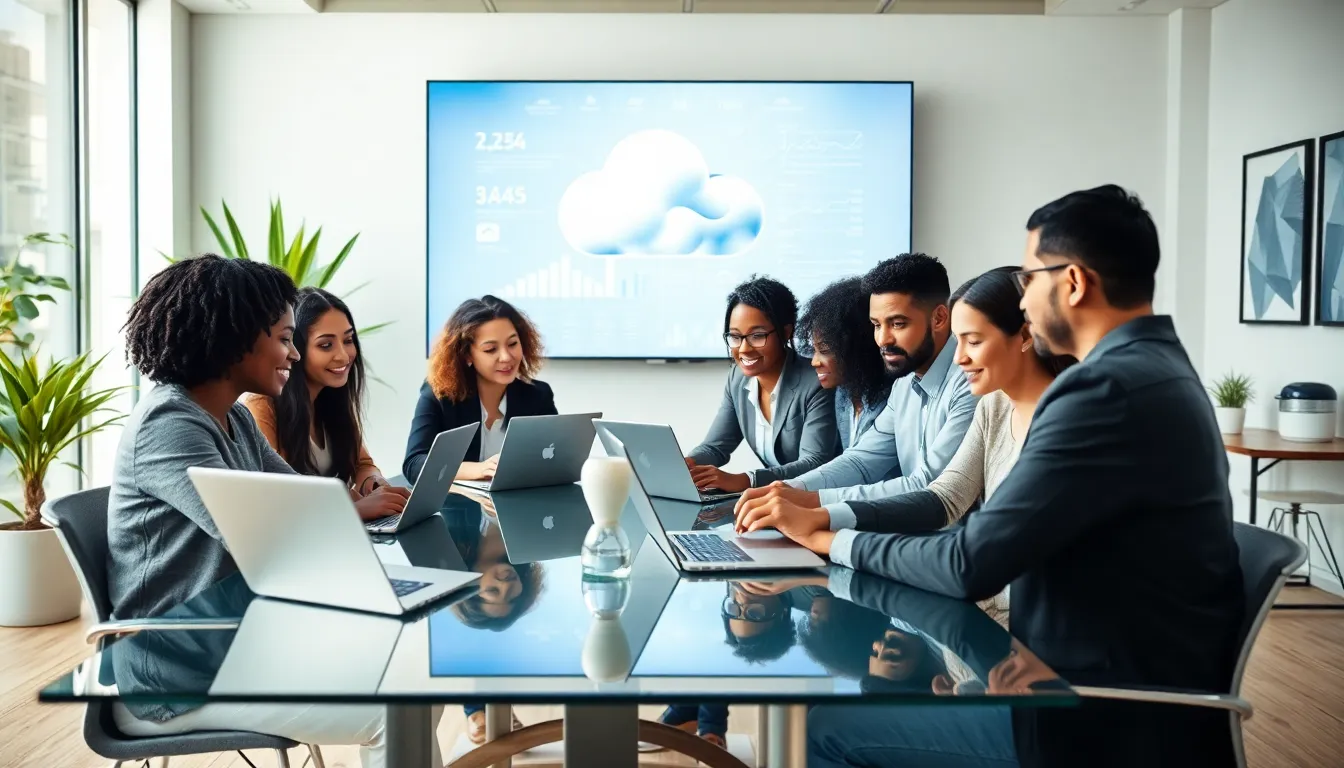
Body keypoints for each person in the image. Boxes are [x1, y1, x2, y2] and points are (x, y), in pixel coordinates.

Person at [757, 186, 1246, 767]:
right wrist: (826, 518)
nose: (1026, 299)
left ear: (1074, 283)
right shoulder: (1154, 369)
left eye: (1032, 279)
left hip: (1091, 715)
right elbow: (949, 506)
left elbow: (970, 563)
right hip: (1078, 677)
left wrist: (831, 540)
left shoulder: (1103, 391)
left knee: (828, 727)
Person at [108, 255, 428, 768]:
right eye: (284, 338)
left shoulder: (233, 416)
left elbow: (309, 506)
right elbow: (265, 535)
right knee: (400, 707)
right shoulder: (169, 424)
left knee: (414, 672)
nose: (294, 354)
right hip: (176, 675)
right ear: (235, 341)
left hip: (242, 643)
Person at [741, 267, 1077, 623]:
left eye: (973, 341)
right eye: (958, 341)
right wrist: (799, 500)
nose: (960, 358)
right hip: (970, 600)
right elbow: (940, 497)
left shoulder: (1060, 421)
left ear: (1025, 336)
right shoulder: (993, 406)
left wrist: (822, 528)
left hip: (1019, 621)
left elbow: (963, 543)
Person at [733, 253, 978, 530]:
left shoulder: (970, 382)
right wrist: (786, 488)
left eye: (897, 324)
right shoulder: (904, 383)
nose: (883, 339)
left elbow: (928, 485)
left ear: (939, 318)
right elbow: (861, 461)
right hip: (914, 539)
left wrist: (810, 501)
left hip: (953, 548)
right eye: (876, 325)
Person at [245, 287, 408, 518]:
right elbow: (275, 500)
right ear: (295, 349)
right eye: (325, 345)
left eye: (348, 340)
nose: (343, 355)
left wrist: (373, 483)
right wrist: (352, 510)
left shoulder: (331, 398)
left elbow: (363, 464)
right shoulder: (261, 408)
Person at [685, 275, 840, 493]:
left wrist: (746, 480)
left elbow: (814, 463)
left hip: (819, 497)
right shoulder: (737, 378)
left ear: (786, 332)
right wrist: (687, 465)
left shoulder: (816, 382)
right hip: (778, 498)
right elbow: (715, 448)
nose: (744, 349)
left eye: (757, 336)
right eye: (736, 337)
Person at [404, 295, 555, 483]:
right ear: (467, 354)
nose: (506, 357)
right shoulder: (439, 395)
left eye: (512, 344)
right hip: (459, 509)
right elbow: (414, 465)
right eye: (491, 349)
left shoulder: (538, 396)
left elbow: (555, 461)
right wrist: (477, 470)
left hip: (520, 507)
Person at [442, 497, 545, 744]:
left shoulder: (450, 534)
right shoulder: (530, 545)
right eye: (512, 597)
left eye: (493, 592)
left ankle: (479, 708)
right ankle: (482, 708)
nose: (506, 586)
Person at [796, 276, 892, 450]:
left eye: (824, 350)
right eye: (814, 350)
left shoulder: (891, 400)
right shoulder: (844, 394)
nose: (814, 362)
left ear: (857, 347)